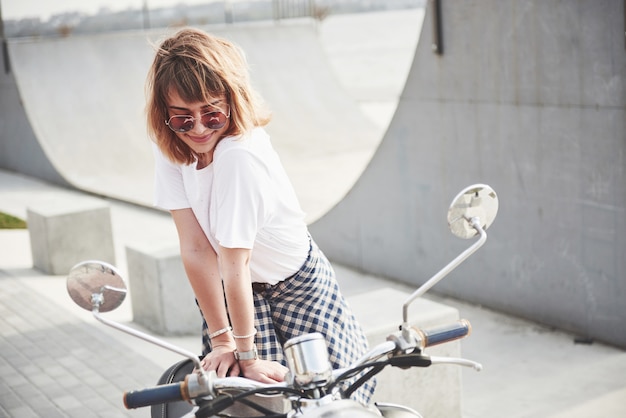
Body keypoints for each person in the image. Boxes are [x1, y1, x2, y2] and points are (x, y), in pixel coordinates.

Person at [146, 27, 374, 404]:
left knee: (329, 401)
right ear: (166, 115)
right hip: (232, 286)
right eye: (183, 118)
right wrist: (222, 341)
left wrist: (247, 353)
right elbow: (197, 250)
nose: (198, 128)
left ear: (233, 101)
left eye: (212, 114)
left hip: (295, 287)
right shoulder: (171, 144)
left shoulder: (240, 156)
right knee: (243, 402)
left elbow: (237, 260)